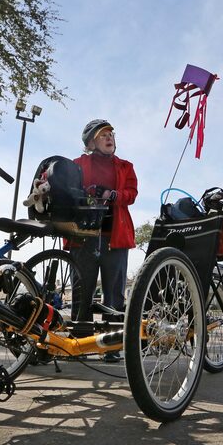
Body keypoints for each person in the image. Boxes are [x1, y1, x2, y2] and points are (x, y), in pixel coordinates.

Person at [71, 119, 138, 362]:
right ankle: (78, 345)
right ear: (90, 142)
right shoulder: (77, 164)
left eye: (111, 134)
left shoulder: (125, 166)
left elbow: (131, 193)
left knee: (114, 295)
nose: (109, 138)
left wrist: (112, 194)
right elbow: (59, 180)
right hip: (84, 237)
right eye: (103, 135)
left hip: (115, 237)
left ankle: (110, 346)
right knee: (81, 291)